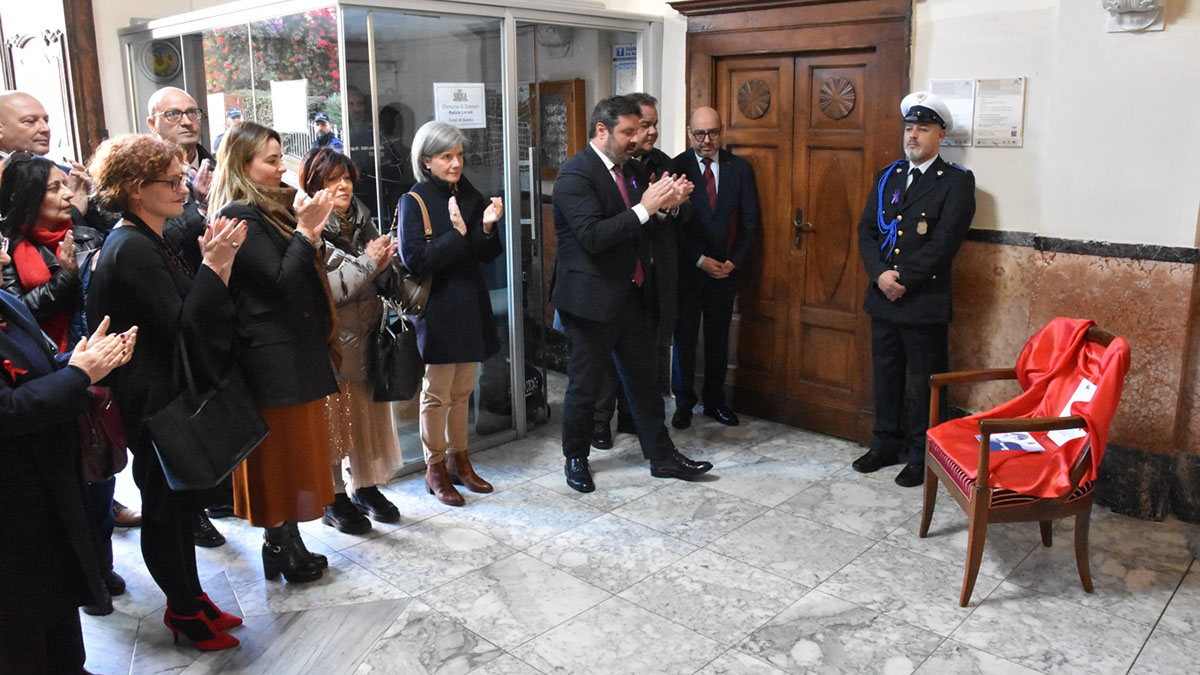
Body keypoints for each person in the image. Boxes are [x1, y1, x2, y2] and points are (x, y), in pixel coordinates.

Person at [87, 133, 246, 650]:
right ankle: (182, 611)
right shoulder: (129, 245)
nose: (184, 188)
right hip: (150, 396)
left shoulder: (147, 237)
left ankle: (192, 596)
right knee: (163, 506)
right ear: (135, 189)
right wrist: (216, 266)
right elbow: (182, 321)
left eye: (182, 179)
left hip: (163, 389)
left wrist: (209, 267)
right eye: (171, 182)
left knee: (179, 506)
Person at [551, 95, 711, 493]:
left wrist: (669, 205)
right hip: (589, 300)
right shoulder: (575, 174)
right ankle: (576, 458)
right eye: (627, 132)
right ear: (601, 131)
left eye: (637, 131)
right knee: (584, 387)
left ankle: (661, 456)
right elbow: (593, 236)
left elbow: (646, 221)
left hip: (632, 293)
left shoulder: (634, 169)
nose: (635, 139)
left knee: (644, 382)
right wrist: (645, 207)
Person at [209, 121, 339, 582]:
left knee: (296, 453)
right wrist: (306, 233)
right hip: (270, 356)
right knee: (277, 458)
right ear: (243, 166)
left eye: (281, 156)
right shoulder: (240, 214)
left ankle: (290, 544)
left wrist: (309, 231)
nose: (282, 166)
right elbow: (279, 283)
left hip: (293, 350)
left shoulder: (272, 209)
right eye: (270, 159)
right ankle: (278, 546)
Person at [1, 247, 136, 672]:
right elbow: (7, 411)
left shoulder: (3, 298)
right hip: (11, 501)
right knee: (22, 629)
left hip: (46, 487)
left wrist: (84, 361)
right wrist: (79, 374)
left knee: (59, 607)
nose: (2, 248)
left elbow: (38, 371)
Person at [0, 151, 119, 617]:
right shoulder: (14, 248)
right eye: (53, 188)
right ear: (27, 197)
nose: (66, 194)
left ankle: (97, 568)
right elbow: (26, 312)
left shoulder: (84, 231)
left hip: (76, 366)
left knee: (97, 475)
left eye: (65, 185)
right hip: (48, 382)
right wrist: (67, 277)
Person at [852, 91, 976, 487]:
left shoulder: (956, 182)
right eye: (909, 128)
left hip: (923, 301)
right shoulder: (887, 177)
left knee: (925, 383)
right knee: (886, 375)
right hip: (883, 297)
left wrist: (901, 279)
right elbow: (867, 231)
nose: (913, 136)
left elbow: (944, 245)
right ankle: (885, 443)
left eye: (922, 129)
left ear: (940, 135)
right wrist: (879, 275)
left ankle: (922, 455)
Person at [297, 147, 403, 533]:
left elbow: (380, 273)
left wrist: (389, 264)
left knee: (367, 421)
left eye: (346, 178)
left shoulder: (360, 216)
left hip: (368, 335)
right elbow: (332, 288)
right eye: (331, 180)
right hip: (333, 340)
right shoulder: (308, 226)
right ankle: (334, 495)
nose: (342, 185)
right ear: (313, 185)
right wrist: (372, 262)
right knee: (334, 425)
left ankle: (366, 487)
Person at [397, 120, 501, 506]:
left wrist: (488, 228)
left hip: (470, 301)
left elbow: (486, 253)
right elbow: (415, 260)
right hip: (437, 307)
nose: (456, 163)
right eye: (446, 157)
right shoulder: (415, 200)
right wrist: (456, 236)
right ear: (427, 161)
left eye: (459, 155)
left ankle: (462, 460)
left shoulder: (468, 193)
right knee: (437, 394)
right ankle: (435, 467)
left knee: (463, 391)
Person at [145, 86, 228, 545]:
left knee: (218, 405)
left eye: (192, 112)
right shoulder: (146, 172)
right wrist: (197, 205)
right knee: (184, 416)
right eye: (174, 113)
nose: (187, 120)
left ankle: (218, 491)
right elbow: (158, 237)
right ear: (153, 121)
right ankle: (194, 509)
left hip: (216, 302)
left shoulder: (213, 162)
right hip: (177, 306)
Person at [591, 92, 678, 449]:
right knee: (601, 366)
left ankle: (638, 424)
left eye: (654, 125)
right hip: (607, 280)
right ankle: (599, 423)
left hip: (648, 274)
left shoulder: (654, 164)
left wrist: (669, 206)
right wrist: (649, 207)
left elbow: (656, 221)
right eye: (642, 126)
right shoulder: (592, 171)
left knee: (642, 358)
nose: (649, 133)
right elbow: (602, 230)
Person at [670, 106, 760, 430]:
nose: (707, 140)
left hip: (725, 270)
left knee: (718, 339)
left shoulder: (739, 168)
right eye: (700, 134)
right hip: (689, 270)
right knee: (685, 337)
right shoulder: (676, 167)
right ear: (689, 132)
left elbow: (751, 223)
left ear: (721, 131)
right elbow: (671, 227)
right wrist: (699, 259)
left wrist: (733, 261)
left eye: (713, 133)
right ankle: (683, 403)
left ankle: (715, 401)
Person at [0, 91, 114, 234]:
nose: (45, 129)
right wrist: (74, 211)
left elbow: (106, 232)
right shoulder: (4, 176)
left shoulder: (66, 173)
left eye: (46, 120)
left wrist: (95, 196)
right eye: (30, 121)